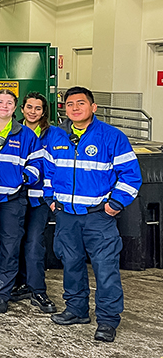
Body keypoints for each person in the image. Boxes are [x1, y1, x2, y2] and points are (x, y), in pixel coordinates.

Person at [45, 86, 142, 342]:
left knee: (105, 268)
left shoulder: (112, 137)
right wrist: (50, 199)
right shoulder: (55, 136)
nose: (75, 108)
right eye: (70, 104)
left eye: (81, 103)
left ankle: (108, 320)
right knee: (71, 264)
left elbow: (131, 176)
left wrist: (115, 204)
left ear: (93, 107)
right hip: (66, 216)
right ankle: (77, 310)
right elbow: (48, 172)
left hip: (99, 217)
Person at [0, 90, 44, 314]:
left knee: (10, 248)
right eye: (0, 102)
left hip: (13, 200)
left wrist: (21, 179)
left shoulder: (26, 135)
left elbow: (37, 164)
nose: (4, 106)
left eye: (9, 103)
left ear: (15, 108)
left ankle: (2, 293)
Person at [10, 92, 61, 313]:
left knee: (33, 243)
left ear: (44, 111)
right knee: (15, 242)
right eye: (29, 107)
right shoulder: (14, 131)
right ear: (22, 109)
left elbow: (58, 166)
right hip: (15, 197)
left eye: (38, 108)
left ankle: (37, 289)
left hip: (39, 199)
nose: (33, 112)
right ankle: (21, 283)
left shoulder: (54, 135)